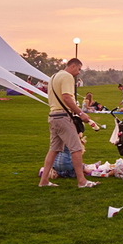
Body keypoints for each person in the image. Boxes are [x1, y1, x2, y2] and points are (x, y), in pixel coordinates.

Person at [38, 58, 100, 188]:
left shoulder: (53, 77)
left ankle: (44, 181)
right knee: (76, 148)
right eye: (79, 69)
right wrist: (81, 113)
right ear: (72, 66)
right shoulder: (67, 77)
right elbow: (66, 97)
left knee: (53, 149)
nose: (79, 72)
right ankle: (82, 181)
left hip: (53, 116)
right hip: (63, 117)